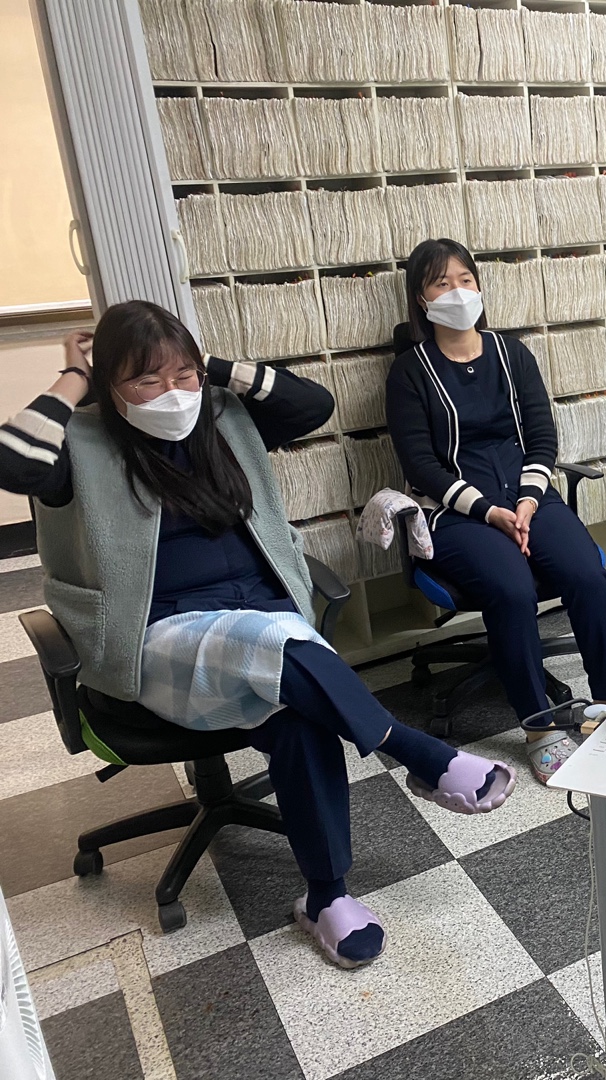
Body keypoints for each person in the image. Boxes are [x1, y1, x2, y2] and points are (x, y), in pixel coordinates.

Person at [0, 302, 517, 970]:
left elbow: (312, 404)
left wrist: (207, 367)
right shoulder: (83, 444)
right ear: (111, 386)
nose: (172, 394)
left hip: (264, 621)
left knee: (300, 719)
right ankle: (419, 752)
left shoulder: (220, 418)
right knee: (279, 648)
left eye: (182, 375)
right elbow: (12, 463)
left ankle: (327, 897)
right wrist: (75, 377)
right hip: (154, 637)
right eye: (147, 381)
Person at [386, 238, 606, 783]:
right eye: (441, 282)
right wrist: (490, 512)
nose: (457, 291)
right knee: (512, 588)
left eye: (465, 279)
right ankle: (539, 729)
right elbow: (421, 467)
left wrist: (528, 500)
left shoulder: (512, 355)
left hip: (528, 496)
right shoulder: (409, 372)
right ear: (421, 298)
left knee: (587, 573)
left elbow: (542, 438)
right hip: (457, 512)